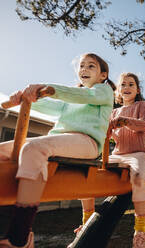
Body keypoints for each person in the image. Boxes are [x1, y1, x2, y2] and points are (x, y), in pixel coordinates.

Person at [0, 53, 115, 248]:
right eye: (81, 66)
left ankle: (19, 236)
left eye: (91, 66)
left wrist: (47, 89)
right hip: (61, 140)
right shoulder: (70, 99)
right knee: (2, 152)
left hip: (86, 142)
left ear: (103, 75)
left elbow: (84, 96)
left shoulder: (103, 91)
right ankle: (4, 228)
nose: (84, 69)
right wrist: (24, 97)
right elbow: (52, 106)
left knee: (33, 148)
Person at [74, 72, 145, 248]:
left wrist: (125, 121)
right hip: (118, 154)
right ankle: (86, 221)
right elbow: (105, 135)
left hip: (139, 153)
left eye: (131, 84)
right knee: (89, 173)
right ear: (117, 91)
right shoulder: (113, 112)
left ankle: (140, 230)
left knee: (139, 177)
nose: (127, 87)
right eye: (123, 84)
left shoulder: (142, 105)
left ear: (137, 90)